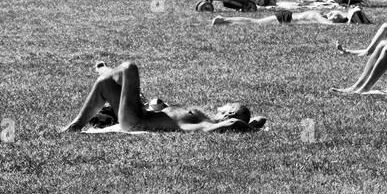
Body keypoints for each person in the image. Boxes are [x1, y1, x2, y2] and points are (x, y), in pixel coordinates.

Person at [63, 60, 266, 134]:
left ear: (230, 113)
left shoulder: (205, 123)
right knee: (107, 81)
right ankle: (76, 125)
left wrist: (249, 126)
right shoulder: (203, 117)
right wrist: (255, 124)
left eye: (228, 105)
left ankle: (77, 124)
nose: (222, 104)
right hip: (141, 115)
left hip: (137, 122)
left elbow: (231, 125)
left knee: (129, 68)